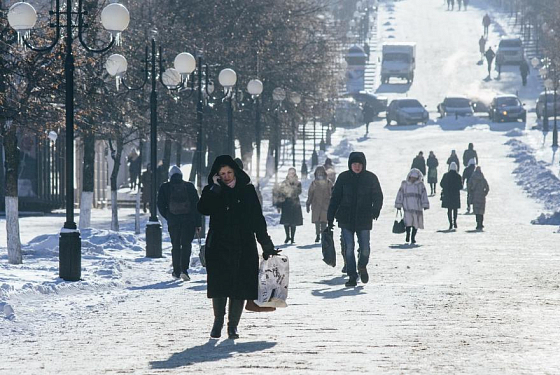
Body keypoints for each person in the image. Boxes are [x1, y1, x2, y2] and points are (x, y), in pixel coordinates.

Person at [197, 155, 278, 339]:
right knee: (219, 285)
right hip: (219, 245)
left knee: (239, 286)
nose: (226, 176)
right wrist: (215, 188)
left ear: (236, 172)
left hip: (244, 244)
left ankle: (232, 326)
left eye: (229, 172)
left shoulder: (247, 190)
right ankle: (218, 322)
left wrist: (266, 244)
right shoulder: (213, 190)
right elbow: (203, 209)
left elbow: (258, 219)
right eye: (222, 173)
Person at [327, 152, 383, 287]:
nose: (357, 167)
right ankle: (352, 275)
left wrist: (375, 210)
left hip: (364, 218)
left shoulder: (370, 178)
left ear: (363, 165)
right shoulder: (343, 178)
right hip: (346, 219)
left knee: (365, 248)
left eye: (359, 164)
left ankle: (362, 266)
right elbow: (335, 198)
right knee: (349, 248)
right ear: (350, 165)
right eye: (354, 164)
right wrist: (330, 217)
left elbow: (378, 196)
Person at [157, 166, 202, 281]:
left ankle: (176, 271)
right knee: (186, 245)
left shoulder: (165, 187)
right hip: (189, 221)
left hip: (174, 221)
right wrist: (198, 223)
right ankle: (184, 270)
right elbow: (197, 206)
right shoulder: (189, 186)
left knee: (176, 245)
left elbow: (160, 205)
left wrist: (169, 216)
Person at [395, 168, 430, 244]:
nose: (413, 179)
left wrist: (425, 204)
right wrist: (399, 204)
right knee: (408, 223)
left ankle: (413, 237)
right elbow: (400, 194)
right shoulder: (404, 184)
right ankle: (408, 235)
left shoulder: (420, 185)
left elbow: (424, 195)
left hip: (417, 208)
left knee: (416, 224)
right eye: (412, 177)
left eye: (415, 178)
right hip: (407, 208)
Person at [275, 168, 303, 244]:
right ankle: (287, 236)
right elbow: (280, 194)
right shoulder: (284, 183)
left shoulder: (298, 183)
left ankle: (292, 238)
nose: (291, 175)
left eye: (292, 173)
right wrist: (279, 206)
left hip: (294, 204)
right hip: (286, 204)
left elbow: (299, 191)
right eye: (290, 173)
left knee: (293, 222)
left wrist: (293, 188)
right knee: (286, 222)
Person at [306, 166, 334, 243]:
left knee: (324, 221)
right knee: (317, 221)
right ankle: (318, 235)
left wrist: (333, 204)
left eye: (321, 172)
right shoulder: (314, 183)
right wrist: (308, 203)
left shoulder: (328, 182)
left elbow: (332, 193)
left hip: (325, 204)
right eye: (318, 172)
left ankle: (323, 236)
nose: (320, 173)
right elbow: (310, 194)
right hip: (316, 205)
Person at [440, 162, 462, 230]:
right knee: (455, 209)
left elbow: (441, 184)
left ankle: (450, 223)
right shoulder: (458, 176)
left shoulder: (446, 175)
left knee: (449, 210)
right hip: (455, 195)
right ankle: (455, 221)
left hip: (448, 195)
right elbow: (461, 186)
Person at [468, 166, 489, 230]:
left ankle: (478, 223)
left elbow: (469, 186)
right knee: (481, 211)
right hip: (482, 197)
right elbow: (487, 188)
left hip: (475, 196)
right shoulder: (483, 179)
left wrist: (471, 192)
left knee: (476, 211)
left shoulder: (472, 178)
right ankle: (481, 223)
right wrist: (484, 193)